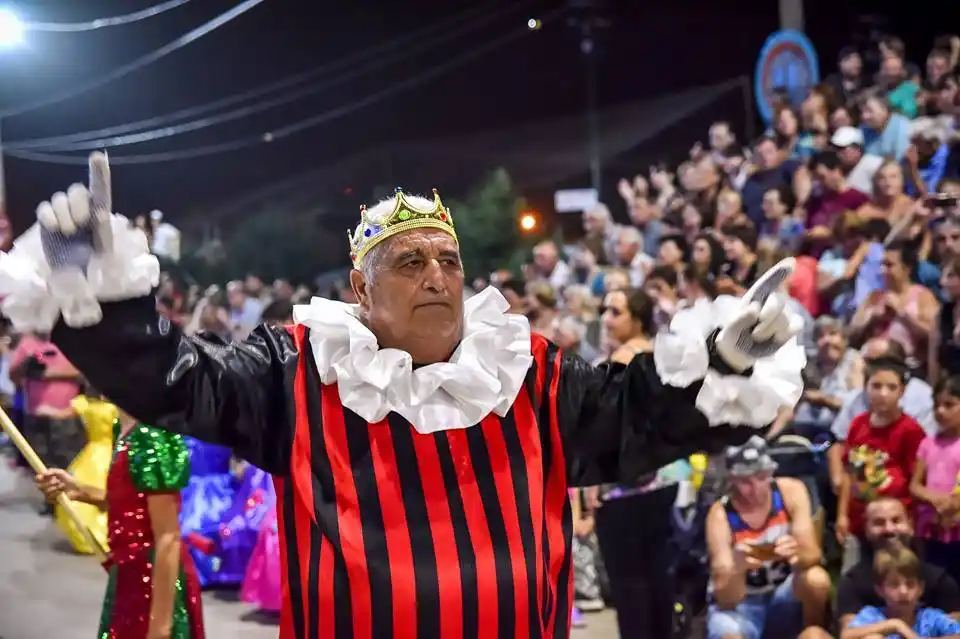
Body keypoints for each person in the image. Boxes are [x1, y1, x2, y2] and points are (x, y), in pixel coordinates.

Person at [0, 153, 805, 638]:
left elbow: (640, 418)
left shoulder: (528, 371)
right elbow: (181, 383)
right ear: (361, 287)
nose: (437, 275)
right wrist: (97, 292)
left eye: (449, 260)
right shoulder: (297, 369)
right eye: (410, 261)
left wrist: (723, 362)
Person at [35, 411, 204, 638]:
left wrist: (161, 625)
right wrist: (79, 490)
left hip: (155, 584)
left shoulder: (151, 434)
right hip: (128, 576)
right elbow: (132, 501)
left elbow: (168, 536)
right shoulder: (123, 428)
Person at [705, 437, 831, 639]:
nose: (756, 489)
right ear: (732, 480)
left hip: (782, 592)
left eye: (762, 476)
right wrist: (736, 569)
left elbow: (813, 555)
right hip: (742, 604)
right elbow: (725, 600)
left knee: (816, 579)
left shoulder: (790, 490)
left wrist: (797, 553)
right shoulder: (720, 515)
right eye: (746, 481)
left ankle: (809, 630)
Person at [837, 356, 926, 572]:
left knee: (893, 573)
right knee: (854, 572)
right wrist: (841, 515)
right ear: (865, 388)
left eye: (891, 387)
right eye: (876, 386)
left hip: (893, 522)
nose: (883, 394)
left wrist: (911, 521)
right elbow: (850, 474)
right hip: (859, 518)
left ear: (902, 392)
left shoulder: (910, 431)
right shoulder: (858, 424)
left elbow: (917, 480)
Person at [835, 497, 960, 634]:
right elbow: (848, 633)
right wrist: (894, 625)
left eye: (896, 520)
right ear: (866, 529)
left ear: (911, 525)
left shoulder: (939, 580)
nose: (889, 529)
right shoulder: (853, 582)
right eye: (879, 523)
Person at [35, 387, 116, 555]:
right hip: (109, 452)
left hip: (93, 452)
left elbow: (62, 413)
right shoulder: (116, 408)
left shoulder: (84, 404)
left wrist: (47, 409)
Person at [843, 543, 960, 639]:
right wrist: (895, 625)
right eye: (894, 585)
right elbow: (847, 635)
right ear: (880, 590)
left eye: (910, 585)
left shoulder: (930, 618)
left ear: (920, 588)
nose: (903, 592)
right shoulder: (872, 616)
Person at [911, 375, 960, 579]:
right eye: (936, 405)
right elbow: (915, 485)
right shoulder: (927, 444)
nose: (941, 411)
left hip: (956, 524)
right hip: (931, 527)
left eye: (949, 405)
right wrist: (934, 498)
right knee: (934, 579)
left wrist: (953, 504)